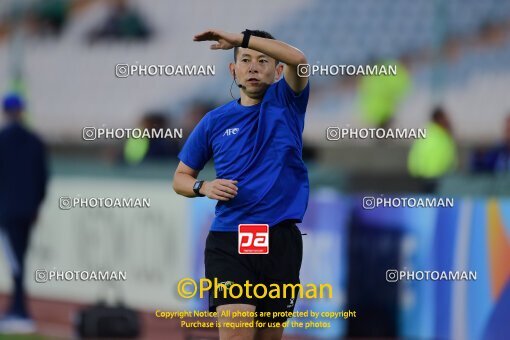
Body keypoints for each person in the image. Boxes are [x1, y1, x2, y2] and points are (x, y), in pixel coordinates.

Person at [173, 29, 309, 340]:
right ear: (233, 70)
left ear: (277, 72)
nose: (253, 66)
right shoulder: (214, 121)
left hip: (280, 241)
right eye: (245, 60)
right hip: (229, 241)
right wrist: (203, 187)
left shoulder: (288, 103)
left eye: (263, 61)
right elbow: (180, 178)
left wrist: (240, 39)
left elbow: (299, 60)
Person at [0, 94, 48, 334]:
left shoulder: (3, 139)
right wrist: (37, 205)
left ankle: (20, 311)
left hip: (7, 210)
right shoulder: (35, 140)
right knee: (20, 259)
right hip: (27, 210)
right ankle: (16, 309)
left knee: (15, 262)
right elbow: (42, 178)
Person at [407, 107, 457, 192]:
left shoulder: (428, 132)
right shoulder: (441, 135)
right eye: (444, 118)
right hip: (434, 177)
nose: (447, 120)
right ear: (438, 119)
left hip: (427, 176)